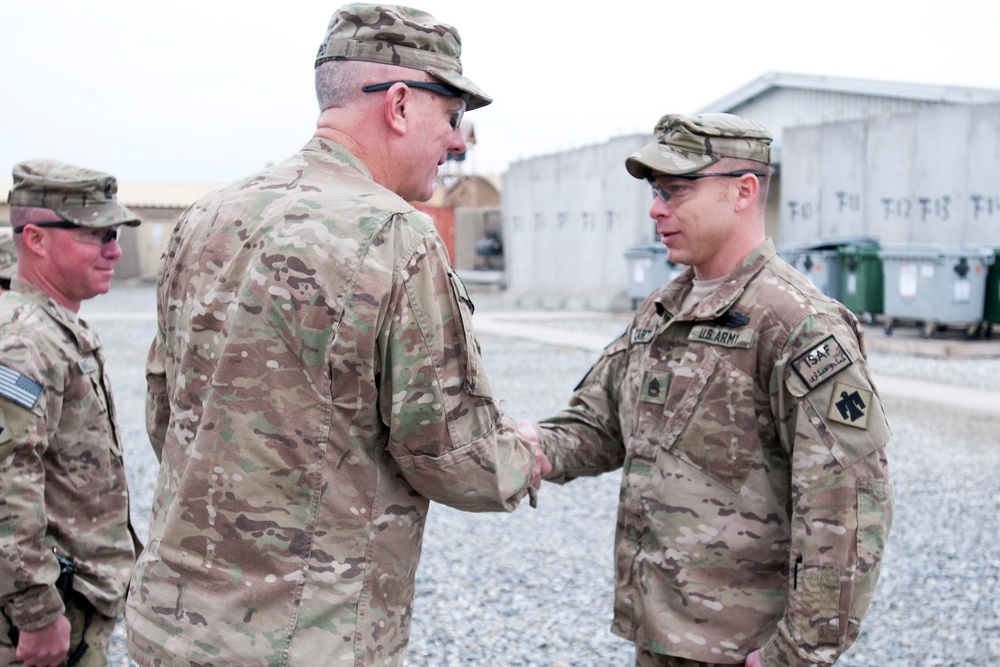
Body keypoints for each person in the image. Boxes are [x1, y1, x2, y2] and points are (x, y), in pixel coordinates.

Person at [125, 4, 548, 666]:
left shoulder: (206, 219)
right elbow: (453, 457)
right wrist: (526, 453)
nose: (462, 141)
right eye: (455, 116)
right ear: (400, 105)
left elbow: (166, 416)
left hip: (170, 627)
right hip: (306, 640)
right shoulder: (396, 236)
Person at [519, 113, 894, 667]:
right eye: (655, 192)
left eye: (677, 190)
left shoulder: (797, 324)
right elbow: (601, 427)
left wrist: (797, 651)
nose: (656, 209)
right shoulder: (663, 310)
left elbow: (848, 502)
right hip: (661, 635)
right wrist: (535, 446)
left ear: (743, 192)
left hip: (744, 651)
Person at [0, 160, 141, 667]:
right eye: (97, 234)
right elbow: (5, 482)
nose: (115, 250)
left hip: (78, 599)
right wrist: (35, 611)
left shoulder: (53, 327)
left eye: (115, 234)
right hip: (45, 614)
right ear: (35, 240)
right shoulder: (22, 341)